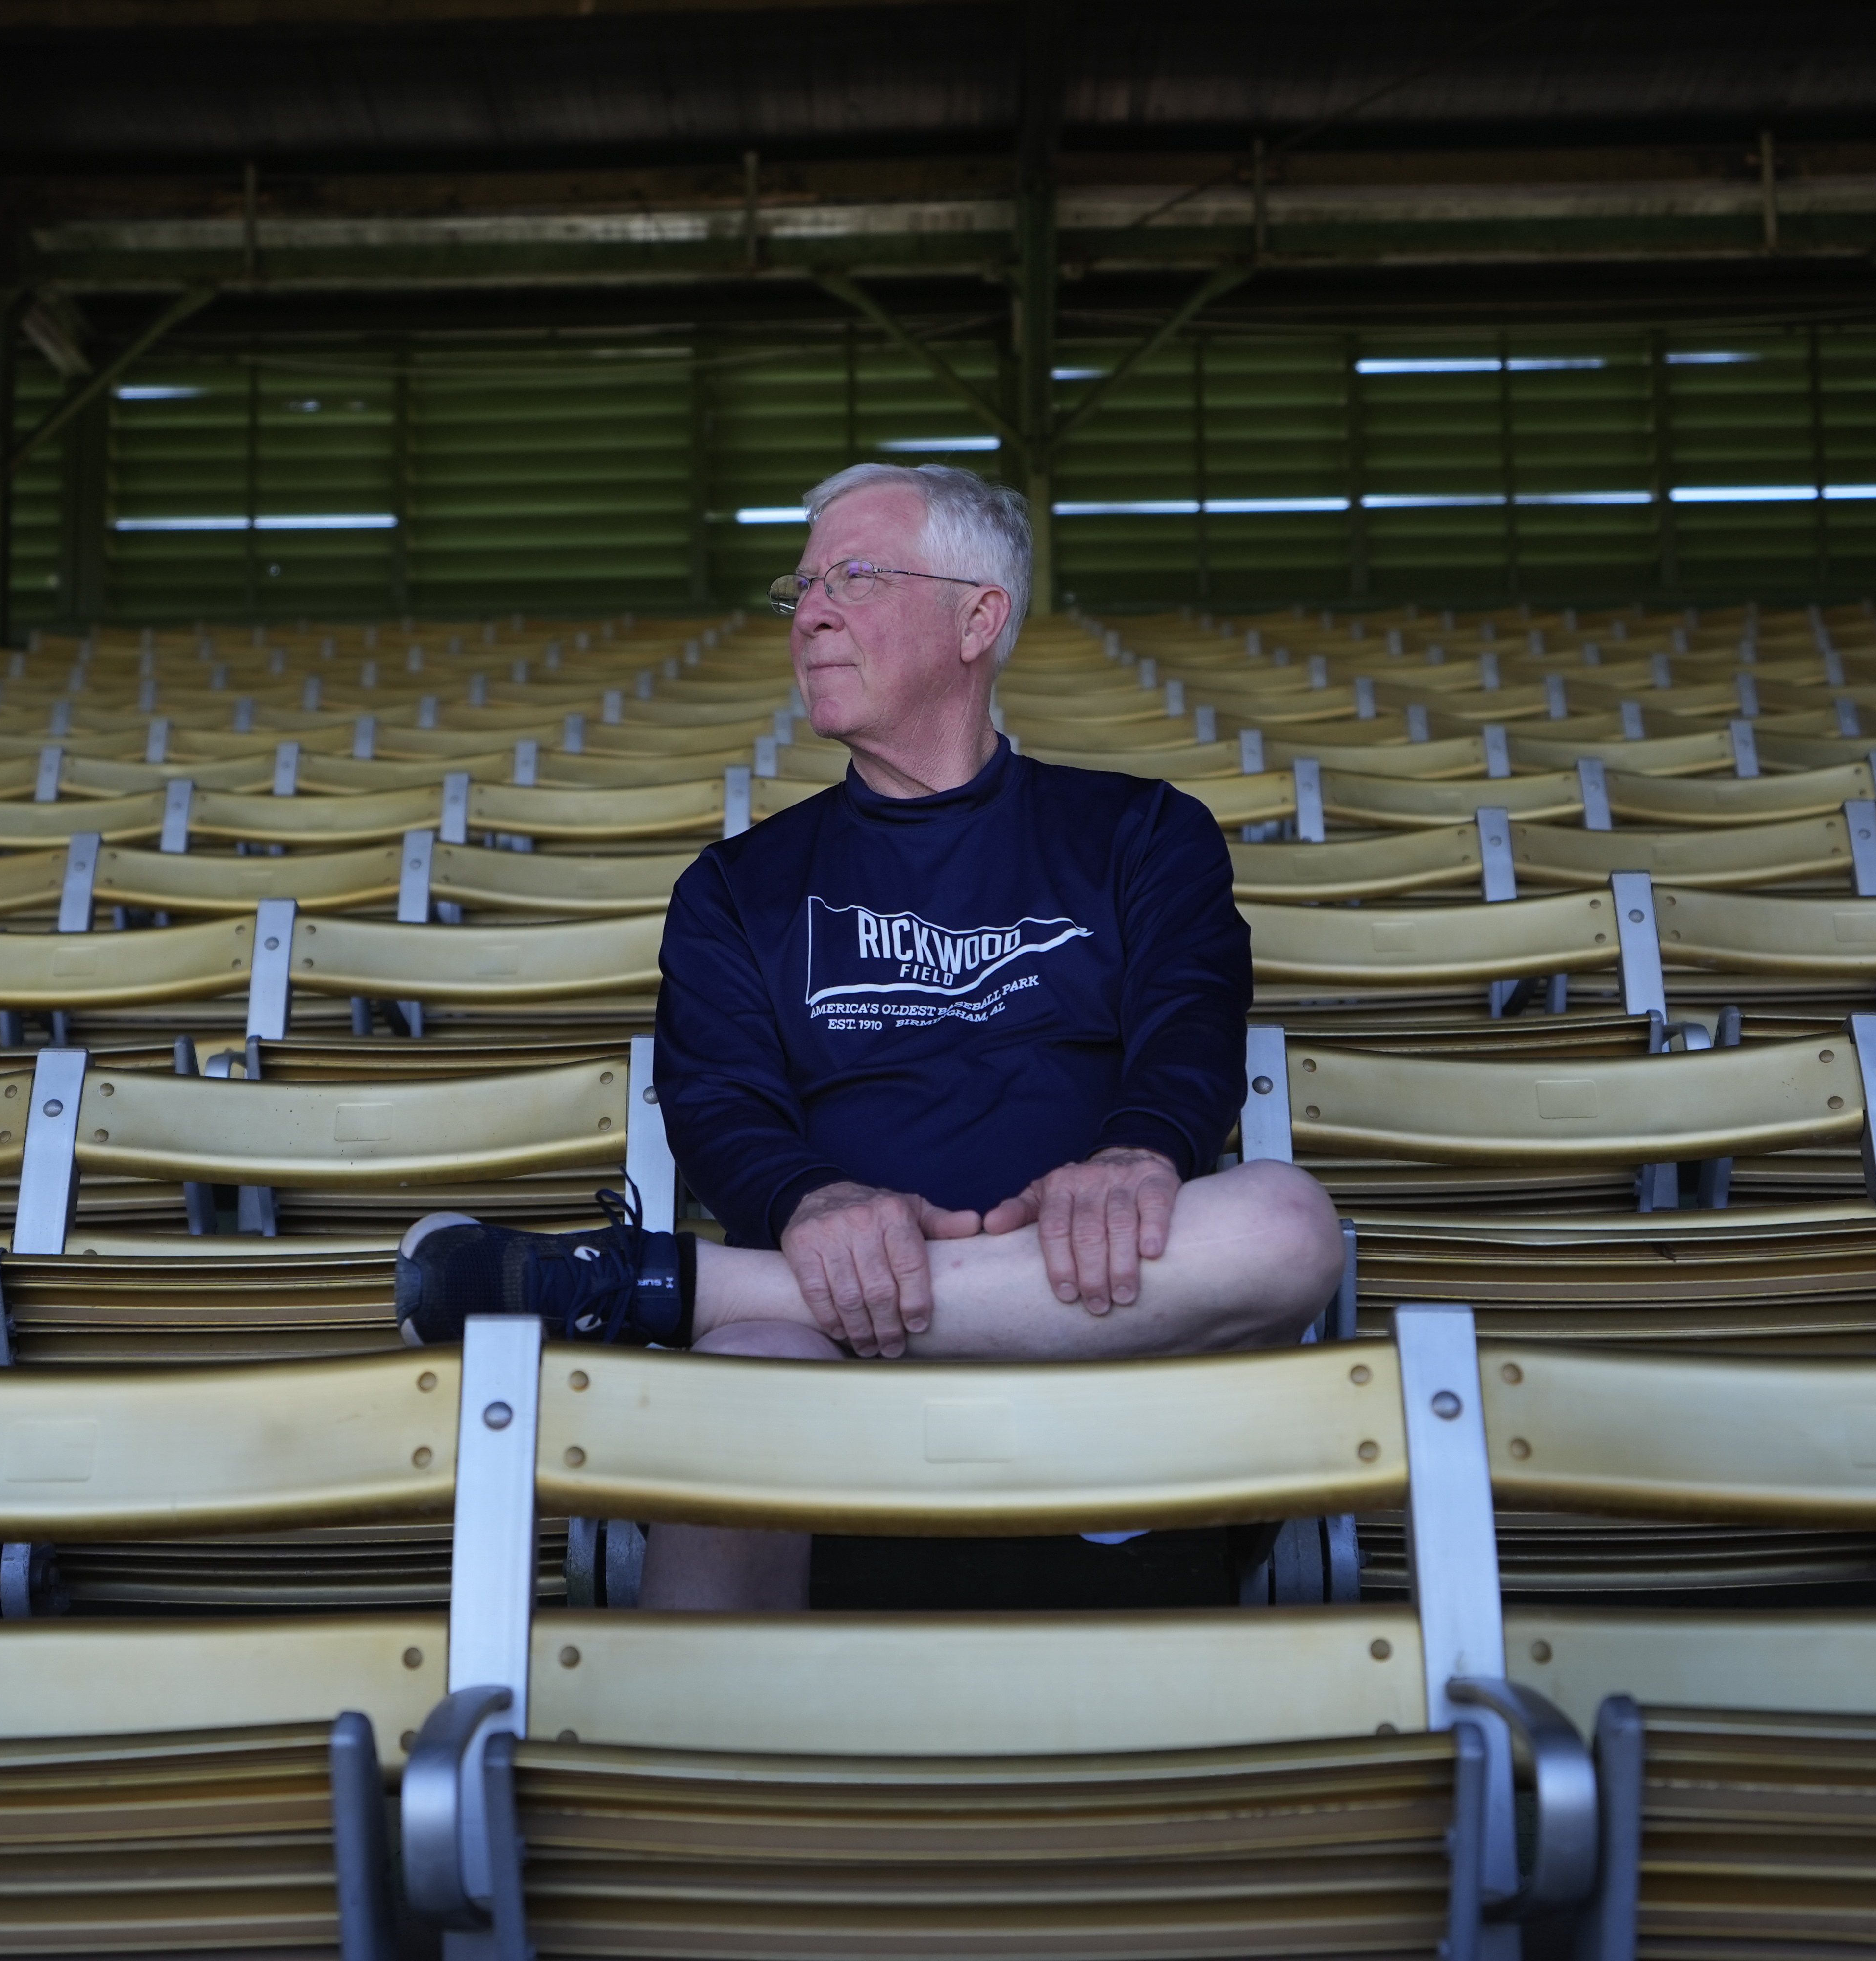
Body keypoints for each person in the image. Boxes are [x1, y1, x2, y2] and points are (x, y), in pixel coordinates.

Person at [399, 461, 1345, 1607]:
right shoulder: (738, 886)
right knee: (746, 1377)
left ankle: (657, 1284)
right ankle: (694, 1783)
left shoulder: (1142, 832)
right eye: (799, 586)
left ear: (978, 617)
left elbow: (1193, 1022)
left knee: (1288, 1224)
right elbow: (720, 1101)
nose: (809, 612)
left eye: (854, 574)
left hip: (1118, 1350)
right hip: (832, 1376)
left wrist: (1136, 1154)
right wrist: (811, 1200)